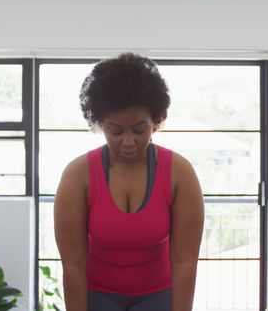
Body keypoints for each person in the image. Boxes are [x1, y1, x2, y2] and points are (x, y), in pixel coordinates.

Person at [54, 52, 204, 311]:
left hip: (159, 295)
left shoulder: (180, 173)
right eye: (116, 131)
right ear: (100, 123)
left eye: (139, 130)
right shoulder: (77, 176)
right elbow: (74, 265)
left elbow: (184, 261)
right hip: (97, 295)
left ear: (155, 123)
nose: (128, 142)